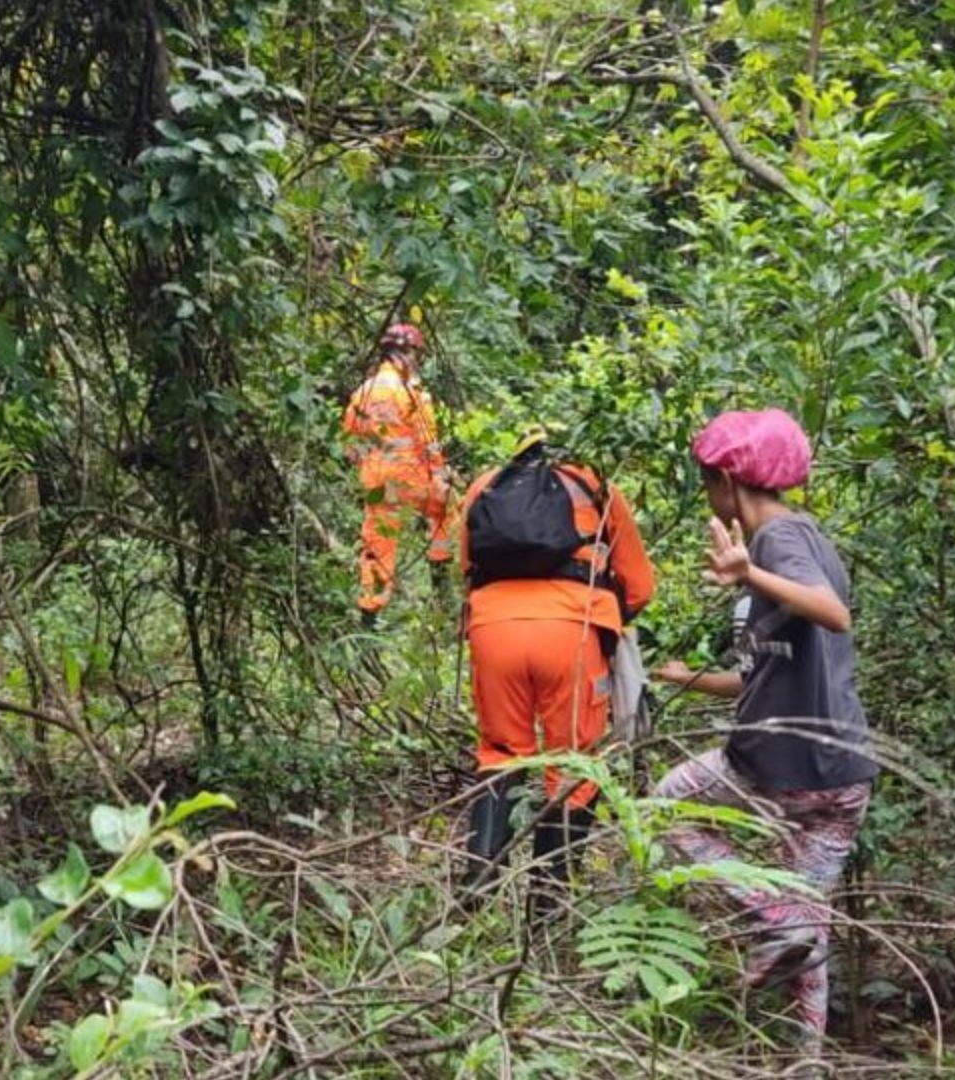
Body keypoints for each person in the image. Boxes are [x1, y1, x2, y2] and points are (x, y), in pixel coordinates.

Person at [650, 408, 876, 1045]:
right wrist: (683, 677)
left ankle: (775, 919)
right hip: (841, 779)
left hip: (781, 765)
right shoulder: (805, 542)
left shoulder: (775, 542)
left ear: (725, 479)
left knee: (661, 808)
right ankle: (806, 1058)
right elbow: (761, 676)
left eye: (706, 484)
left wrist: (747, 571)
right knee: (810, 924)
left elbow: (833, 615)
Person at [456, 431, 655, 911]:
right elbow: (641, 586)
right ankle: (547, 901)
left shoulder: (482, 487)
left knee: (500, 753)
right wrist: (602, 618)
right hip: (573, 632)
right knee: (573, 764)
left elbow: (467, 568)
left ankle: (477, 886)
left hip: (492, 630)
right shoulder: (595, 487)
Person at [342, 322, 455, 621]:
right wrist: (440, 476)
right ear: (404, 354)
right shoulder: (411, 392)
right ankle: (442, 581)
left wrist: (369, 465)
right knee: (444, 510)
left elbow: (350, 444)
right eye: (415, 354)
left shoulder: (363, 392)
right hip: (410, 475)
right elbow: (429, 442)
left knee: (379, 540)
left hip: (378, 480)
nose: (417, 361)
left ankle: (369, 612)